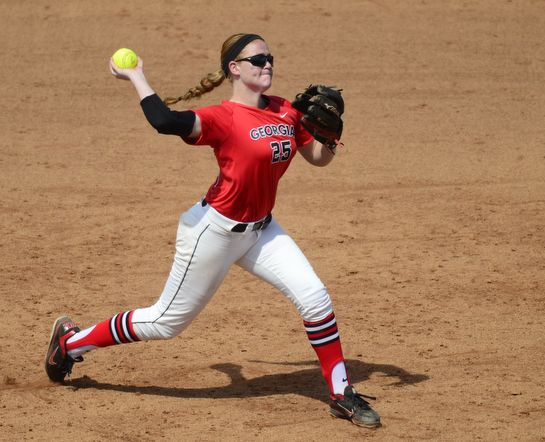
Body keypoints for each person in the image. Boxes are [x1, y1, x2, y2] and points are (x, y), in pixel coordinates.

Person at [44, 33, 380, 428]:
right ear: (234, 69)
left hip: (262, 231)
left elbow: (318, 158)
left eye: (270, 57)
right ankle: (69, 343)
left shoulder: (286, 111)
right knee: (165, 322)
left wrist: (331, 133)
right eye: (257, 59)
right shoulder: (224, 117)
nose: (267, 64)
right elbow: (164, 120)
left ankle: (342, 395)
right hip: (213, 232)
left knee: (316, 298)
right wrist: (136, 75)